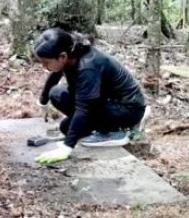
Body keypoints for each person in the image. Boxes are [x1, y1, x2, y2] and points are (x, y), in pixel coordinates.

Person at [34, 28, 149, 165]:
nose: (43, 66)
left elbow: (84, 108)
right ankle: (105, 125)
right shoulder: (70, 53)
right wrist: (43, 102)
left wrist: (66, 148)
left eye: (46, 62)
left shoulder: (87, 67)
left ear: (62, 57)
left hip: (127, 108)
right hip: (105, 100)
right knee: (58, 101)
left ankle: (115, 131)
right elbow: (55, 74)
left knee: (72, 128)